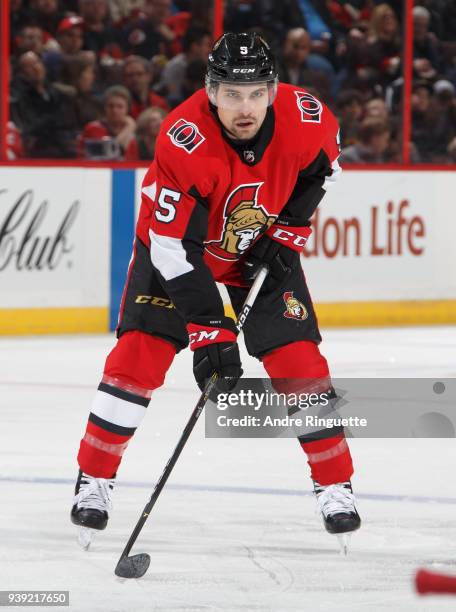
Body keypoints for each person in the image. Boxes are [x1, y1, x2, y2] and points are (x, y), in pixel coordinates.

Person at [71, 32, 361, 548]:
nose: (243, 107)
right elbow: (169, 248)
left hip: (257, 246)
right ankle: (94, 478)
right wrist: (210, 328)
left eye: (254, 93)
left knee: (300, 363)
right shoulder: (184, 138)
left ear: (272, 90)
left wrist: (290, 226)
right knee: (140, 356)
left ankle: (335, 484)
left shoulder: (309, 117)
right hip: (182, 252)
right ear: (211, 91)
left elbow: (325, 169)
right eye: (231, 94)